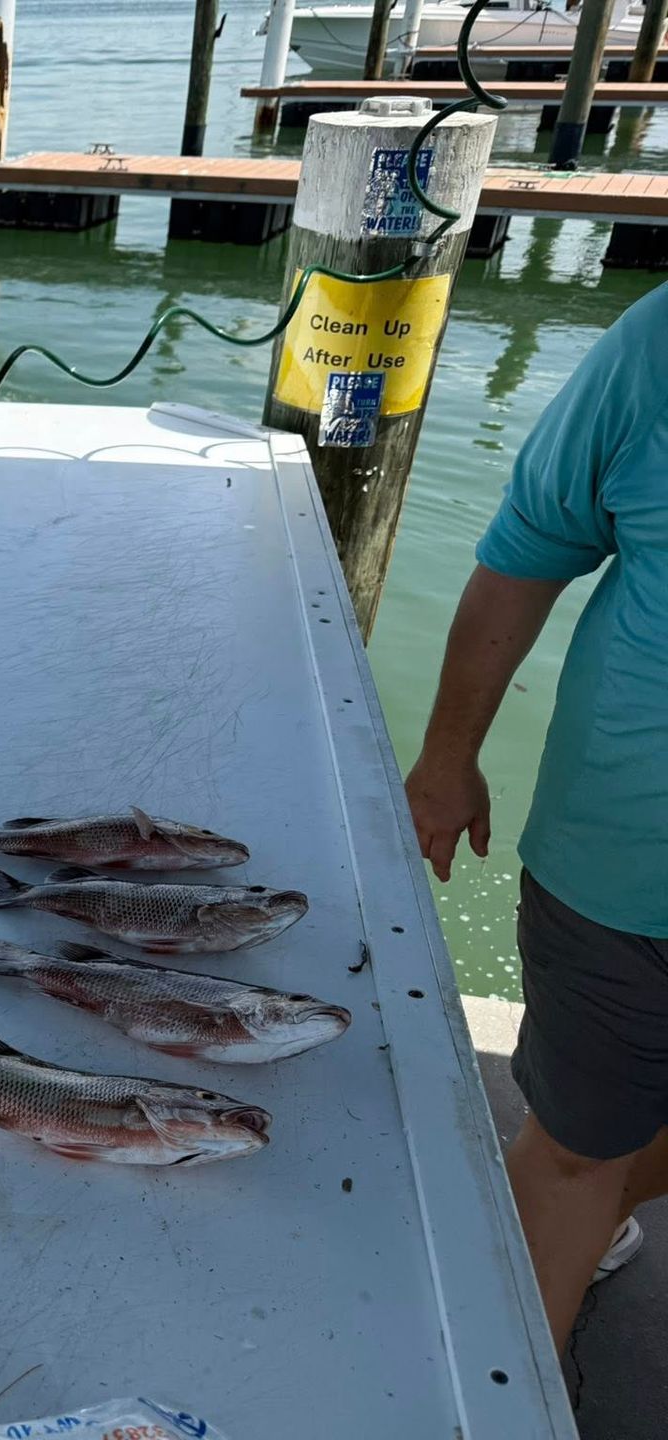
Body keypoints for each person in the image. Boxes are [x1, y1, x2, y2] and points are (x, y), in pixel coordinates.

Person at [405, 281, 668, 1354]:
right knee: (571, 1151)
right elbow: (525, 556)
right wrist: (446, 756)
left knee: (592, 1160)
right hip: (626, 871)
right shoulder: (654, 345)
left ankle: (581, 1206)